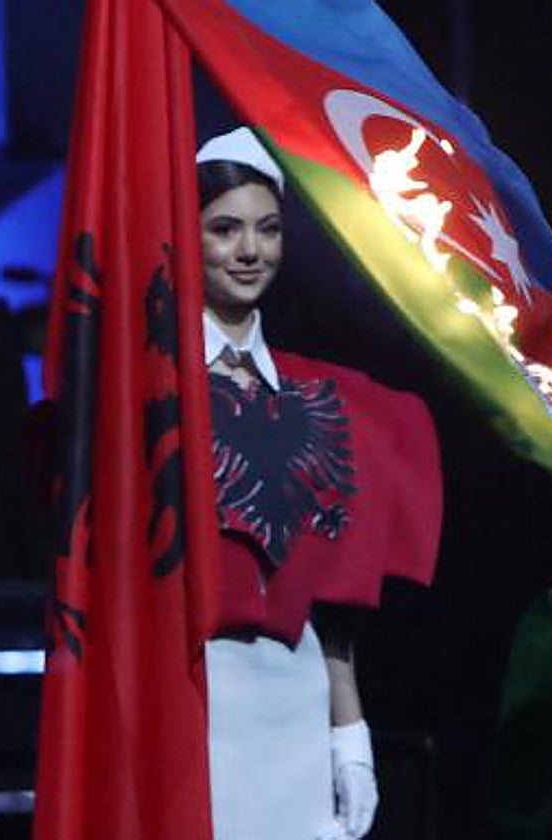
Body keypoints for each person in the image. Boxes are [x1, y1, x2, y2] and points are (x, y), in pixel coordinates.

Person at [195, 127, 442, 840]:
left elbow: (330, 588)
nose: (250, 250)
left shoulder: (325, 399)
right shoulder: (154, 393)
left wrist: (349, 732)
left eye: (268, 229)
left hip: (294, 697)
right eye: (226, 228)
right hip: (191, 694)